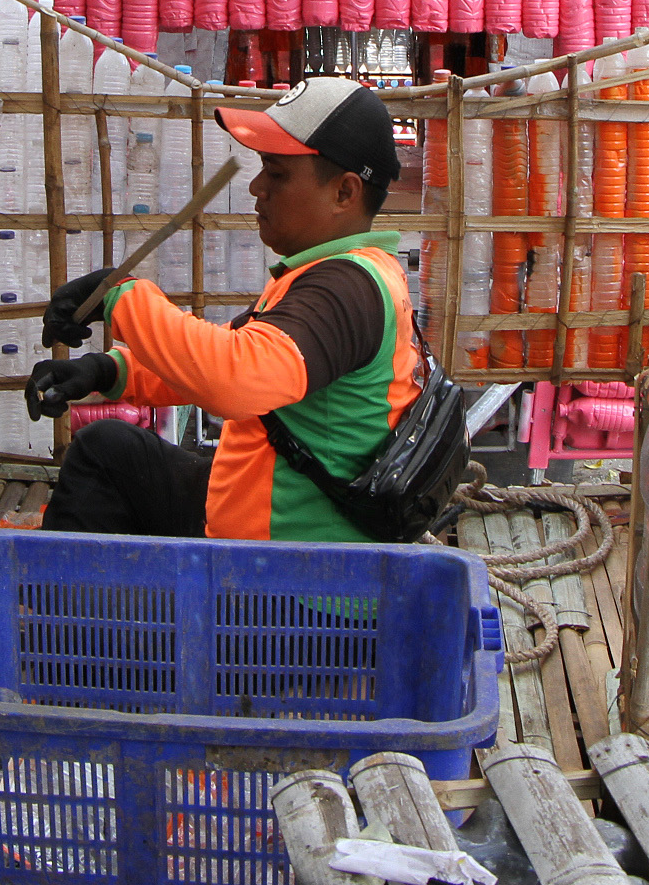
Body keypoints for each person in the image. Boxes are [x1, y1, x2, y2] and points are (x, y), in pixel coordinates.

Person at [27, 76, 419, 541]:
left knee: (102, 460)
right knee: (107, 450)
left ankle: (70, 611)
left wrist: (120, 297)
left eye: (276, 173)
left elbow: (231, 379)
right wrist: (106, 371)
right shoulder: (334, 274)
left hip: (294, 577)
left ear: (344, 193)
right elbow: (216, 355)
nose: (256, 187)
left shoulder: (345, 290)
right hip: (261, 509)